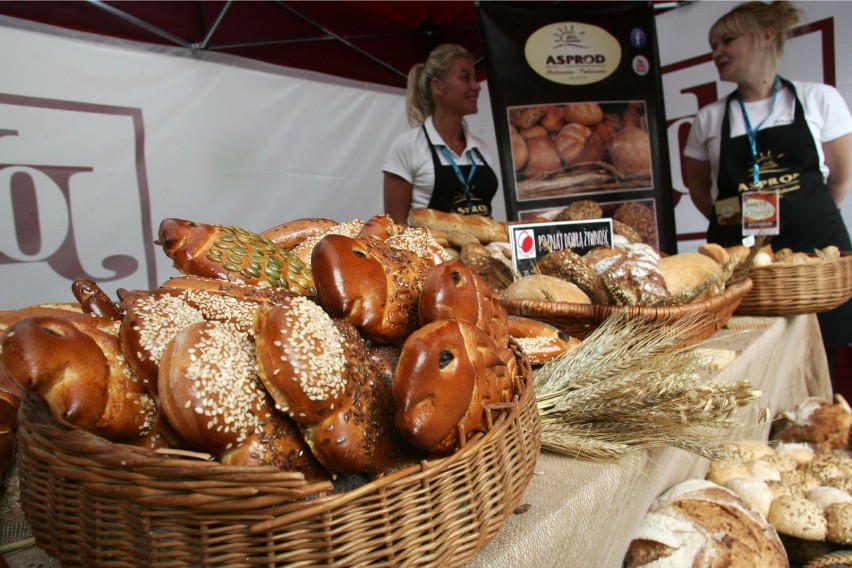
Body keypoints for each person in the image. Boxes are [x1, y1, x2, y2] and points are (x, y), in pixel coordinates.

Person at [683, 0, 852, 380]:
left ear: (766, 36)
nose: (717, 52)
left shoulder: (818, 99)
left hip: (813, 259)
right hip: (741, 266)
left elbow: (841, 177)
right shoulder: (709, 117)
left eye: (727, 40)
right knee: (751, 364)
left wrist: (807, 215)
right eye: (713, 44)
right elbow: (699, 191)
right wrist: (732, 226)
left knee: (826, 362)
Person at [383, 43, 499, 225]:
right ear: (437, 86)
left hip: (482, 252)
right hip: (431, 252)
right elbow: (396, 227)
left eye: (475, 78)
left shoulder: (481, 149)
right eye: (465, 78)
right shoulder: (408, 146)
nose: (476, 86)